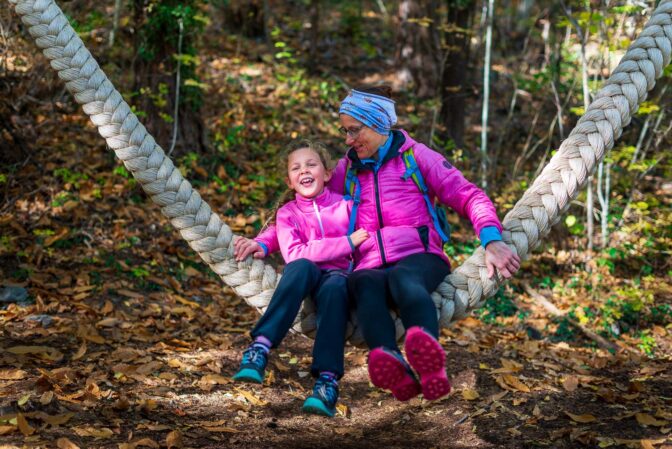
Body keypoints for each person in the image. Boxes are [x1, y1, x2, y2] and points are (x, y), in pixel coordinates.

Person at [235, 86, 520, 403]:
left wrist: (491, 239)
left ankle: (430, 367)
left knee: (403, 279)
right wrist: (263, 242)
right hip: (369, 263)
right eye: (345, 131)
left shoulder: (417, 158)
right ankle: (391, 362)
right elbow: (307, 207)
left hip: (419, 256)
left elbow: (468, 196)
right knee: (362, 283)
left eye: (354, 130)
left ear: (378, 125)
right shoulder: (348, 168)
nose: (348, 139)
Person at [232, 140, 369, 417]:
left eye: (311, 164)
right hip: (303, 281)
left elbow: (369, 236)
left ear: (327, 173)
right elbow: (293, 253)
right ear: (290, 181)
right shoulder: (287, 213)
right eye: (296, 168)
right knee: (301, 266)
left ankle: (327, 383)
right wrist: (345, 243)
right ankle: (259, 350)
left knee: (335, 287)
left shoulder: (347, 206)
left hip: (338, 277)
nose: (304, 170)